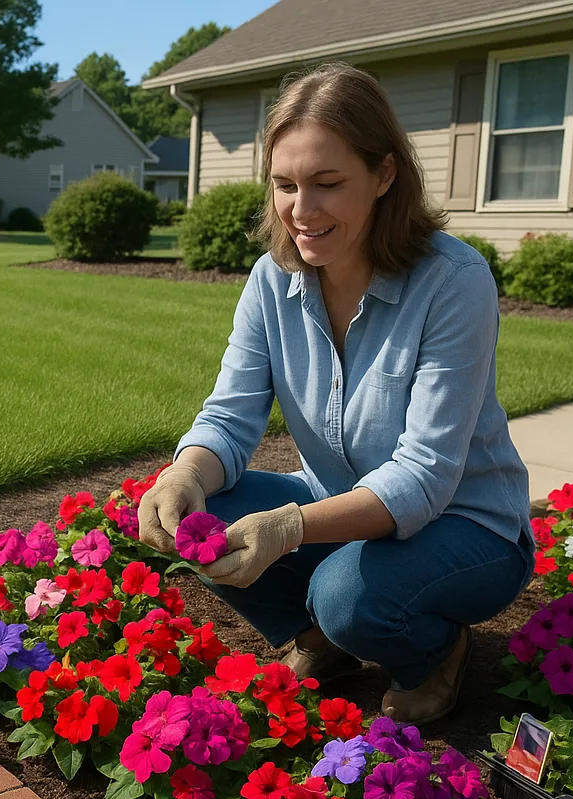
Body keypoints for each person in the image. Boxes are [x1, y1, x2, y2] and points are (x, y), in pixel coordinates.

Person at [138, 63, 534, 726]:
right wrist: (183, 473)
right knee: (203, 519)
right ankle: (322, 642)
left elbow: (426, 477)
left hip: (468, 526)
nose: (301, 209)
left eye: (327, 184)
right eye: (285, 184)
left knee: (348, 596)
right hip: (341, 502)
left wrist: (288, 527)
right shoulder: (271, 281)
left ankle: (431, 650)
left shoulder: (454, 280)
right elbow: (230, 417)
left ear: (384, 176)